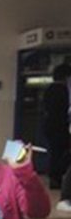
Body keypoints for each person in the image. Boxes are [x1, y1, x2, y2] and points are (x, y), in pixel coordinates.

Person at [42, 64, 71, 195]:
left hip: (50, 126)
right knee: (61, 153)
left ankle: (55, 178)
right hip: (61, 127)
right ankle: (58, 177)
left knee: (55, 152)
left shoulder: (49, 89)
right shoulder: (63, 90)